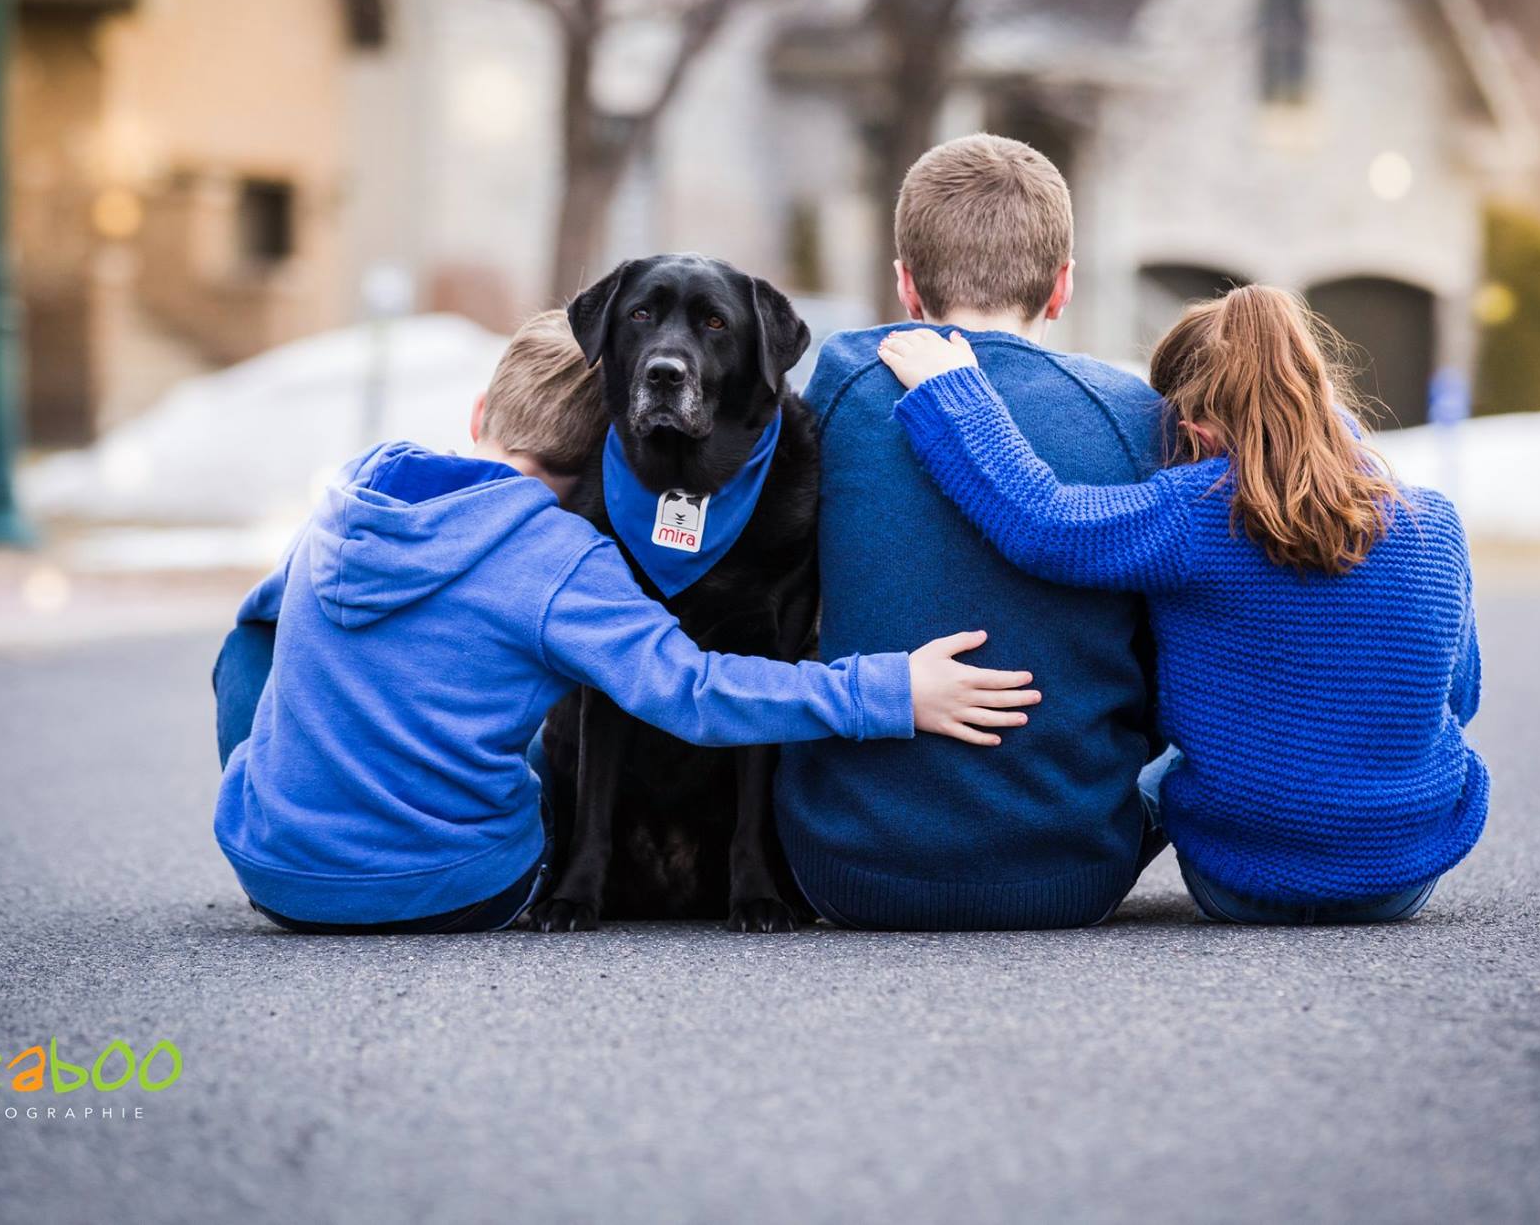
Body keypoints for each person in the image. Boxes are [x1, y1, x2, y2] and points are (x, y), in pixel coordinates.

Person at [210, 312, 1039, 935]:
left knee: (262, 642)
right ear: (598, 464)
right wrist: (891, 688)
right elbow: (696, 691)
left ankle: (301, 811)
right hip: (453, 886)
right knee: (543, 737)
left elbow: (248, 645)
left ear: (477, 414)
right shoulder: (563, 554)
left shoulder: (353, 500)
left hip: (271, 869)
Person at [877, 284, 1488, 925]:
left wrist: (952, 392)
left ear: (1197, 429)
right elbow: (1460, 697)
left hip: (1241, 882)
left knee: (1160, 762)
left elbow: (1042, 520)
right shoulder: (1435, 524)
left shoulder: (1196, 512)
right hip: (1401, 877)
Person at [775, 134, 1171, 930]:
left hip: (844, 866)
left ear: (905, 284)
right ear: (1062, 286)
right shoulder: (1133, 415)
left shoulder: (844, 382)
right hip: (1072, 874)